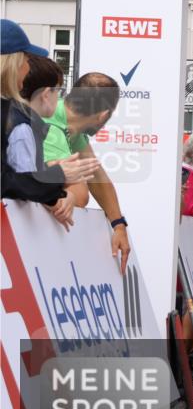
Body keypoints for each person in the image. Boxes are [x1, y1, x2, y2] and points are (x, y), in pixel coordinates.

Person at [40, 71, 131, 274]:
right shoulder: (53, 126)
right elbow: (80, 194)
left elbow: (97, 175)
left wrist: (118, 225)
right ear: (103, 115)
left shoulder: (72, 124)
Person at [4, 52, 97, 229]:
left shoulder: (24, 123)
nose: (60, 99)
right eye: (59, 91)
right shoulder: (22, 128)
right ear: (46, 94)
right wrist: (58, 192)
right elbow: (25, 185)